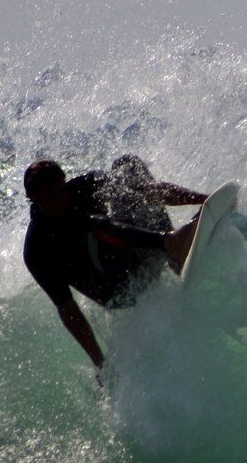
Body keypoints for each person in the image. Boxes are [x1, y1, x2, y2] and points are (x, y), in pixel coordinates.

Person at [22, 157, 207, 372]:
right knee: (91, 226)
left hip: (133, 258)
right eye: (48, 194)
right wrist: (99, 362)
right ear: (33, 198)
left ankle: (172, 251)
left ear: (65, 181)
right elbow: (69, 311)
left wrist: (204, 200)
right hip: (116, 291)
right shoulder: (37, 251)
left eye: (60, 189)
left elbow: (146, 191)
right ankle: (169, 242)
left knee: (126, 170)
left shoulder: (83, 187)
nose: (59, 199)